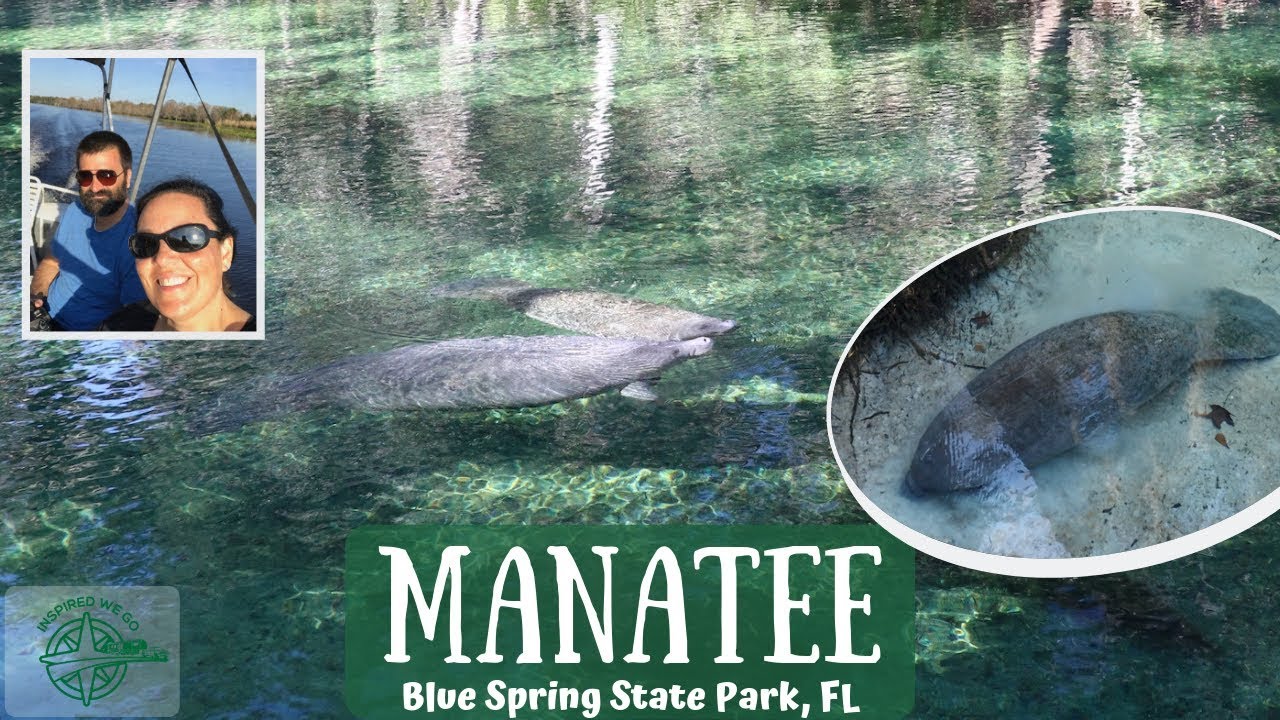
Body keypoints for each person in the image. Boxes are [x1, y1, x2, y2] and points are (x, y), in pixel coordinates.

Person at [101, 178, 254, 332]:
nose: (162, 259)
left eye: (187, 239)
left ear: (225, 253)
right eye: (146, 243)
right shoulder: (118, 326)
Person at [30, 131, 146, 330]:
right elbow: (51, 262)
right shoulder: (76, 210)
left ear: (127, 177)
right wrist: (36, 298)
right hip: (42, 314)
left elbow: (133, 318)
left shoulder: (137, 241)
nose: (94, 187)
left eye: (107, 175)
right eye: (85, 176)